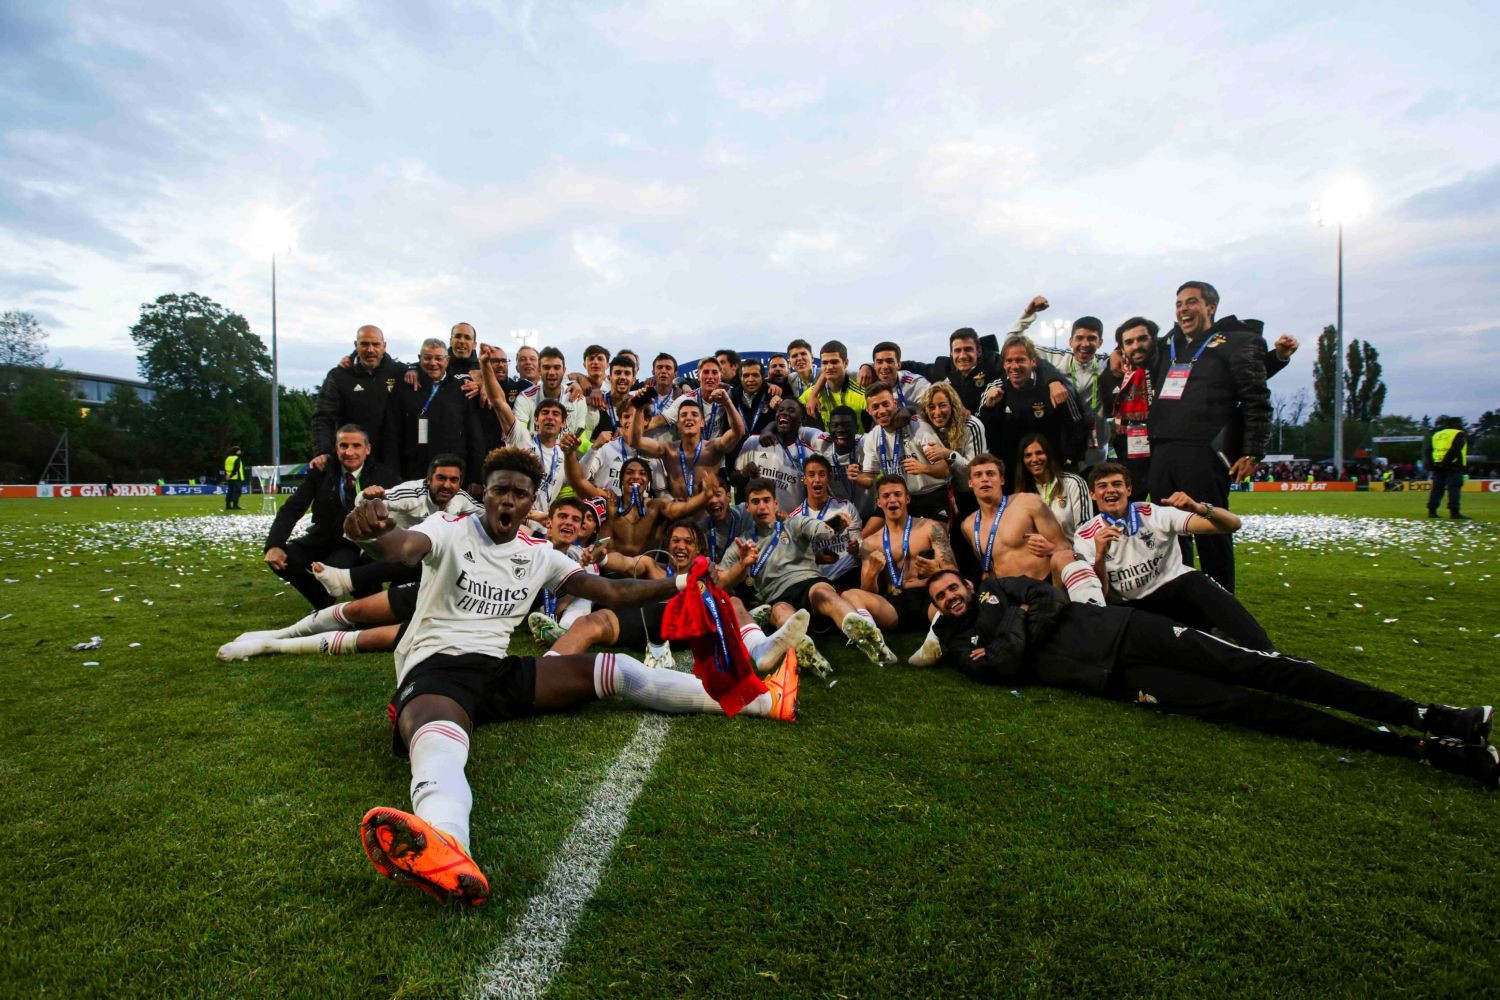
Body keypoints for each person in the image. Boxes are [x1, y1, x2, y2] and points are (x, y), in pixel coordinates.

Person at [344, 446, 802, 905]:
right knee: (440, 743)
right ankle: (448, 844)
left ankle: (765, 701)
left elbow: (605, 589)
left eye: (519, 494)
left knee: (615, 669)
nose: (508, 501)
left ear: (529, 505)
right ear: (485, 496)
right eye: (500, 491)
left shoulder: (538, 552)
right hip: (435, 669)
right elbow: (401, 547)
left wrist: (681, 583)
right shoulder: (448, 529)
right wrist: (374, 535)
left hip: (500, 672)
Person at [925, 570, 1499, 788]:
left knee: (1259, 667)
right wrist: (1016, 625)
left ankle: (1427, 714)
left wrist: (1014, 627)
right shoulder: (960, 643)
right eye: (940, 597)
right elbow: (1000, 666)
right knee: (1248, 708)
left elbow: (1049, 600)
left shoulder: (1001, 583)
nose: (951, 597)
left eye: (953, 587)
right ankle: (1422, 749)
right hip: (1119, 679)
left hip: (1132, 630)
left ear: (965, 583)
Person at [547, 519, 811, 675]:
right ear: (667, 545)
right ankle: (546, 675)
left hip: (686, 626)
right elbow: (626, 562)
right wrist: (602, 556)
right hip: (646, 625)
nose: (680, 546)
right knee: (591, 622)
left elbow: (727, 580)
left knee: (732, 601)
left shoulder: (707, 570)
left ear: (697, 548)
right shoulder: (655, 567)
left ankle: (759, 647)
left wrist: (742, 565)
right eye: (675, 540)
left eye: (687, 542)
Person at [1146, 281, 1272, 592]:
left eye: (1191, 302)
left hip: (1203, 452)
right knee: (1169, 534)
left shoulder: (1236, 341)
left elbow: (1256, 397)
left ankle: (1222, 608)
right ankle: (1183, 600)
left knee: (1211, 533)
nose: (1183, 309)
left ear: (1210, 307)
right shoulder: (1167, 345)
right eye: (1178, 304)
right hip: (1162, 451)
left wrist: (1253, 450)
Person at [1073, 462, 1272, 651]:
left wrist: (1199, 508)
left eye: (1117, 484)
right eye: (1102, 486)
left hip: (1177, 595)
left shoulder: (1154, 514)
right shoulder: (1085, 535)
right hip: (1137, 608)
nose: (1110, 490)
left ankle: (1267, 653)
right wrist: (1099, 555)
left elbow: (1233, 524)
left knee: (1197, 581)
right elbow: (1102, 594)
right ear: (1092, 494)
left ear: (1129, 490)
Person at [718, 478, 896, 666]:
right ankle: (806, 650)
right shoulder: (741, 544)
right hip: (777, 596)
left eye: (766, 500)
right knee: (780, 612)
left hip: (809, 582)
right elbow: (721, 582)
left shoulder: (793, 524)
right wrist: (741, 565)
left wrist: (836, 524)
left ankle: (862, 630)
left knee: (822, 592)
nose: (762, 506)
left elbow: (819, 529)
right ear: (747, 508)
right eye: (755, 502)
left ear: (775, 503)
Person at [309, 453, 480, 600]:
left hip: (414, 560)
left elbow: (487, 515)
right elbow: (372, 500)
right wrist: (367, 496)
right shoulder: (412, 494)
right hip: (382, 549)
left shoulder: (460, 498)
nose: (446, 485)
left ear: (460, 483)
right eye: (441, 478)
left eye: (453, 480)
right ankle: (348, 580)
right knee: (421, 555)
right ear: (429, 480)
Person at [263, 425, 397, 609]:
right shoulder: (322, 471)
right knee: (285, 558)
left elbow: (399, 515)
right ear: (336, 448)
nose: (349, 452)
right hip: (321, 539)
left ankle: (334, 607)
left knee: (333, 568)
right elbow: (292, 508)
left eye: (356, 446)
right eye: (343, 446)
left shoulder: (384, 475)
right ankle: (322, 603)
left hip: (355, 545)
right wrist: (274, 545)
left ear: (368, 449)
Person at [563, 447, 710, 557]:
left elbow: (682, 509)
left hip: (645, 577)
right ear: (621, 481)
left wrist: (705, 496)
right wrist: (569, 454)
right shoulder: (609, 502)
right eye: (629, 472)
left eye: (642, 473)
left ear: (649, 483)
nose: (636, 477)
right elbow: (579, 482)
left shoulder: (656, 506)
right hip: (608, 574)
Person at [857, 476, 956, 634]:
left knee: (963, 587)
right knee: (852, 595)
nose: (892, 500)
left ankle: (934, 637)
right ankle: (871, 635)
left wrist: (937, 572)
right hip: (893, 605)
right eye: (886, 496)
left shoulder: (931, 528)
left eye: (897, 494)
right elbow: (867, 592)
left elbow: (953, 573)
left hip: (929, 598)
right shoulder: (870, 543)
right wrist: (872, 572)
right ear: (878, 502)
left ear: (907, 498)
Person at [980, 334, 1086, 477]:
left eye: (1020, 360)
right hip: (1013, 472)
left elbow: (1077, 424)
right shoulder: (996, 388)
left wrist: (1070, 460)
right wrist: (989, 407)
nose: (1014, 366)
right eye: (1009, 361)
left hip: (1053, 469)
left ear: (1033, 362)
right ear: (1004, 364)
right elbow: (983, 428)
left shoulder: (1055, 387)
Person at [383, 339, 485, 483]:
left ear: (447, 360)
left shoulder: (462, 388)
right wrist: (393, 474)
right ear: (419, 359)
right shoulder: (404, 388)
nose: (433, 363)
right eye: (427, 358)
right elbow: (392, 434)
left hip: (452, 475)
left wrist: (475, 478)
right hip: (412, 473)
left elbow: (474, 435)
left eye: (438, 358)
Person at [310, 325, 404, 470]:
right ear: (356, 345)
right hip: (352, 459)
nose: (370, 350)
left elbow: (431, 370)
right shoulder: (339, 376)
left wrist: (413, 370)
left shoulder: (400, 372)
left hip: (393, 461)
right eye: (365, 344)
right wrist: (322, 451)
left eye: (375, 344)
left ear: (384, 346)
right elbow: (323, 416)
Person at [853, 382, 950, 520]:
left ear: (895, 402)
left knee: (935, 537)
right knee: (867, 536)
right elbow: (869, 479)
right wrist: (856, 476)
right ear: (868, 410)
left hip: (930, 495)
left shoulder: (917, 426)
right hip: (898, 500)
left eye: (885, 404)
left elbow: (944, 469)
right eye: (875, 407)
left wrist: (924, 468)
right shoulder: (872, 437)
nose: (881, 411)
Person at [630, 394, 745, 498]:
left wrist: (727, 403)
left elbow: (739, 431)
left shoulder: (713, 448)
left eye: (694, 414)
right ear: (678, 423)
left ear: (702, 422)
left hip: (706, 516)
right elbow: (635, 441)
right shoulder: (668, 450)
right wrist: (639, 409)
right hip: (679, 516)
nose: (689, 418)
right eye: (684, 415)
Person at [734, 397, 832, 512]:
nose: (784, 413)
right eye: (780, 410)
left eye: (791, 410)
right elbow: (733, 480)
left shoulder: (809, 453)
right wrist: (743, 473)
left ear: (801, 419)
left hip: (790, 523)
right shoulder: (754, 442)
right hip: (757, 520)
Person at [1037, 316, 1109, 469]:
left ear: (1100, 342)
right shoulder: (1056, 358)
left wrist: (1118, 353)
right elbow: (1016, 344)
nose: (1085, 344)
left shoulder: (1106, 363)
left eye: (1092, 338)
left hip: (1096, 449)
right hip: (1065, 445)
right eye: (1080, 338)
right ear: (1070, 341)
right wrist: (1028, 313)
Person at [1103, 317, 1159, 500]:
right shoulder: (1113, 373)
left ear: (1154, 339)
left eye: (1142, 339)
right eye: (1129, 342)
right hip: (1130, 455)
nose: (1136, 346)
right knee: (1133, 507)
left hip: (1165, 450)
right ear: (1122, 347)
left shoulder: (1167, 363)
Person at [918, 381, 986, 519]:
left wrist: (949, 454)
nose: (937, 412)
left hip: (973, 496)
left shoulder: (971, 426)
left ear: (952, 405)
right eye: (931, 407)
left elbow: (978, 471)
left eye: (942, 405)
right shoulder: (926, 427)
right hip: (946, 496)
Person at [796, 455, 862, 588]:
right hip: (817, 582)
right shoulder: (795, 519)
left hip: (848, 574)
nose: (817, 480)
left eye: (822, 474)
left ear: (829, 478)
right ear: (804, 479)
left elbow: (858, 542)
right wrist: (815, 558)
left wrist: (856, 548)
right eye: (811, 475)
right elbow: (796, 560)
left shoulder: (846, 507)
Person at [1013, 433, 1092, 538]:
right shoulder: (1021, 495)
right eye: (1028, 455)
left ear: (1048, 455)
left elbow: (1086, 531)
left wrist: (1066, 552)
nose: (1034, 459)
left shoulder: (1073, 483)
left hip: (1071, 552)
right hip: (1037, 553)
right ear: (1023, 461)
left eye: (1039, 453)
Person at [800, 340, 867, 430]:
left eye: (834, 362)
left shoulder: (862, 395)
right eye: (825, 363)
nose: (829, 367)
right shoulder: (810, 395)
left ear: (846, 363)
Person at [870, 342, 931, 414]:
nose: (885, 367)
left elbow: (930, 411)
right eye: (880, 362)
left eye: (890, 361)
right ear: (874, 366)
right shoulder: (869, 385)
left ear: (899, 365)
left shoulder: (916, 383)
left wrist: (901, 405)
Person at [1428, 417, 1471, 520]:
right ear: (1457, 424)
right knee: (1454, 488)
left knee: (1437, 488)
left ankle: (1432, 511)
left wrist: (1432, 464)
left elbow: (1429, 450)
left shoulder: (1437, 435)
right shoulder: (1458, 434)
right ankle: (1454, 512)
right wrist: (1446, 462)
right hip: (1452, 464)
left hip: (1437, 464)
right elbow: (1455, 450)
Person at [729, 356, 779, 436]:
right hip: (738, 447)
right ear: (740, 378)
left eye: (755, 375)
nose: (750, 379)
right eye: (746, 375)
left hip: (765, 446)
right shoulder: (731, 397)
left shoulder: (773, 395)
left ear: (762, 378)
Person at [223, 445, 246, 511]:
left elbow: (225, 468)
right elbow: (236, 469)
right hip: (236, 477)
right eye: (239, 450)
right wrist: (231, 475)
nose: (240, 452)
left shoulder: (228, 458)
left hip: (229, 478)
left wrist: (227, 476)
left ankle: (228, 505)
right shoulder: (237, 458)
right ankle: (235, 505)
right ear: (236, 451)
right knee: (237, 491)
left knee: (230, 491)